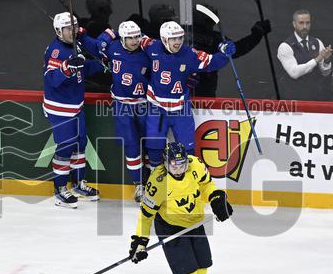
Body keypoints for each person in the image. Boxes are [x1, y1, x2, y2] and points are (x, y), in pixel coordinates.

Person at [129, 141, 233, 274]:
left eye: (181, 164)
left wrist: (217, 199)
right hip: (170, 227)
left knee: (202, 269)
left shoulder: (195, 165)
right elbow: (146, 214)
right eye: (173, 165)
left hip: (194, 223)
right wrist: (140, 241)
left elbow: (206, 185)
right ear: (165, 164)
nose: (178, 168)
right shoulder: (158, 181)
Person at [42, 12, 113, 207]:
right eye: (67, 28)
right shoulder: (57, 52)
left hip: (76, 106)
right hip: (61, 108)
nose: (72, 31)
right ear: (58, 31)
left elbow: (83, 69)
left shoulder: (76, 45)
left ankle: (79, 183)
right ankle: (60, 188)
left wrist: (100, 66)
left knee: (80, 144)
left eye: (74, 27)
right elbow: (52, 80)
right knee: (65, 148)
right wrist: (67, 68)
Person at [143, 21, 236, 169]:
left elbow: (211, 62)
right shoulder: (152, 46)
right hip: (157, 109)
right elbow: (136, 39)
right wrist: (111, 36)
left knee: (188, 149)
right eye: (174, 39)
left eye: (180, 38)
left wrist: (224, 52)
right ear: (164, 39)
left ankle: (189, 181)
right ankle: (154, 179)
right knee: (154, 148)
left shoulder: (189, 54)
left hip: (181, 110)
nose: (178, 42)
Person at [106, 20, 151, 201]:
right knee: (131, 146)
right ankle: (139, 185)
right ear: (122, 38)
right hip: (122, 106)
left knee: (150, 145)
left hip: (144, 104)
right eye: (130, 37)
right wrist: (109, 33)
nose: (134, 40)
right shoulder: (112, 48)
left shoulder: (148, 52)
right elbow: (93, 45)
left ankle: (153, 183)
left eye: (137, 36)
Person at [275, 9, 333, 100]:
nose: (305, 26)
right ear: (294, 24)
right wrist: (317, 59)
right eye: (301, 23)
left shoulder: (317, 42)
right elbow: (294, 73)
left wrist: (326, 60)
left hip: (316, 97)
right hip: (293, 98)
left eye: (307, 23)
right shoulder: (285, 46)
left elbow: (325, 72)